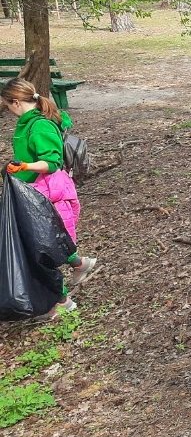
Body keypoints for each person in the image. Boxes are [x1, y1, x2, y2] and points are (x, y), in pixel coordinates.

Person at [2, 78, 98, 317]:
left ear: (15, 102)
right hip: (32, 192)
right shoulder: (26, 123)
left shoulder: (40, 126)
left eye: (6, 105)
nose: (6, 110)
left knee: (41, 251)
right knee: (51, 243)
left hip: (47, 195)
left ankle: (62, 301)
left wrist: (24, 165)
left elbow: (52, 163)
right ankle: (80, 264)